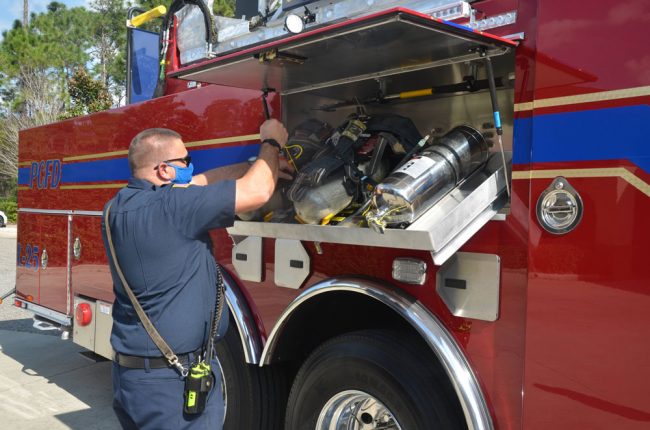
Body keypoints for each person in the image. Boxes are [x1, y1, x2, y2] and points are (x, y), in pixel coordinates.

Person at [101, 119, 289, 429]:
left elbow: (197, 183)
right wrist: (271, 143)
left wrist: (251, 164)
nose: (191, 166)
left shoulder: (118, 207)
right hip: (171, 384)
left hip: (135, 379)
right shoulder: (172, 208)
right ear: (164, 170)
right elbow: (257, 192)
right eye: (186, 161)